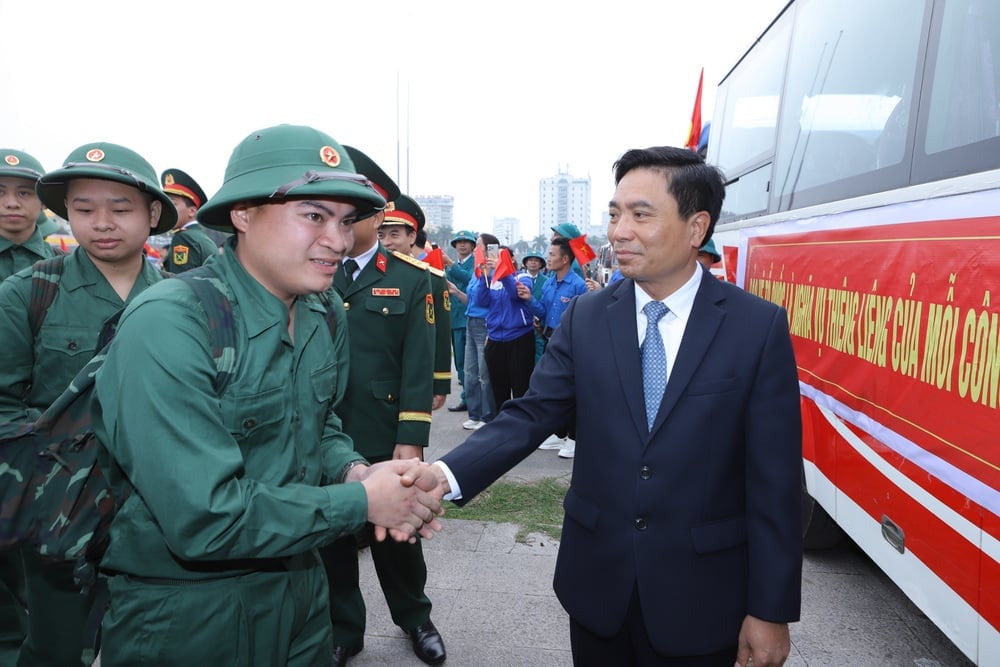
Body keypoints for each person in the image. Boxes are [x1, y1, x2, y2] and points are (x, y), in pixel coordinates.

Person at [431, 146, 802, 666]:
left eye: (640, 214)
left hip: (703, 599)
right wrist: (444, 474)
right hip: (598, 590)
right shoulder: (586, 317)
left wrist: (771, 609)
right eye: (613, 213)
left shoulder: (755, 328)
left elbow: (776, 480)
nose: (618, 231)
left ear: (696, 227)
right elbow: (532, 413)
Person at [91, 125, 444, 666]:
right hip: (189, 613)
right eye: (313, 215)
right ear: (243, 214)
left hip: (302, 592)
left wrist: (356, 472)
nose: (337, 239)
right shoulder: (172, 323)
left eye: (346, 221)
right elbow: (203, 517)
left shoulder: (321, 311)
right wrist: (363, 501)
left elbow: (318, 426)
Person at [0, 141, 178, 666]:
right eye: (84, 209)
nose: (102, 222)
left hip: (155, 510)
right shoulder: (28, 292)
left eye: (121, 209)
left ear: (151, 215)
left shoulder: (180, 299)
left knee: (144, 642)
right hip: (60, 510)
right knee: (57, 648)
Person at [323, 146, 445, 667]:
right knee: (330, 537)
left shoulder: (413, 278)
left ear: (381, 214)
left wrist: (412, 437)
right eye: (336, 213)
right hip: (322, 431)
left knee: (398, 536)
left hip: (383, 428)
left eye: (358, 214)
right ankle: (343, 629)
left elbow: (419, 363)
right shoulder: (312, 270)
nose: (346, 226)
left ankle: (415, 618)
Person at [380, 195, 452, 410]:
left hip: (414, 376)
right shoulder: (366, 276)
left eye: (395, 234)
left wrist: (440, 382)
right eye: (380, 234)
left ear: (412, 236)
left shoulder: (434, 279)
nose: (386, 242)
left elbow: (440, 334)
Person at [521, 237, 588, 459]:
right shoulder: (550, 282)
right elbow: (543, 311)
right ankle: (559, 433)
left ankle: (575, 437)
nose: (547, 258)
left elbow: (586, 317)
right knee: (555, 388)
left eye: (551, 254)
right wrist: (529, 299)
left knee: (572, 389)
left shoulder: (578, 284)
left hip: (572, 343)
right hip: (550, 339)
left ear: (565, 258)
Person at [477, 242, 535, 409]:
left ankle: (522, 428)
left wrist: (503, 272)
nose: (496, 260)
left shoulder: (523, 277)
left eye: (502, 257)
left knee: (520, 388)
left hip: (519, 339)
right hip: (495, 340)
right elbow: (482, 301)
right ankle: (502, 427)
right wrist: (485, 276)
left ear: (511, 260)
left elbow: (516, 295)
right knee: (498, 390)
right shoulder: (492, 281)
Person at [0, 149, 58, 281]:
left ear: (44, 202)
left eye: (24, 193)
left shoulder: (67, 266)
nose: (12, 204)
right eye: (0, 193)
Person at [460, 232, 498, 430]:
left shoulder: (492, 271)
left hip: (485, 324)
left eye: (478, 245)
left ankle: (487, 416)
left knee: (485, 374)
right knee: (470, 372)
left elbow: (489, 299)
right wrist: (455, 291)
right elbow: (470, 299)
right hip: (470, 321)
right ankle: (474, 414)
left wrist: (488, 274)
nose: (475, 249)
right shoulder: (477, 271)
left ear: (487, 249)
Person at [159, 167, 218, 272]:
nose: (168, 209)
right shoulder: (199, 237)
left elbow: (179, 283)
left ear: (191, 211)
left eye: (173, 204)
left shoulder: (184, 238)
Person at [443, 229, 476, 412]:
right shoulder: (453, 265)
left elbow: (471, 279)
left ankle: (472, 400)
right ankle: (466, 396)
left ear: (472, 245)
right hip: (454, 318)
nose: (462, 244)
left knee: (471, 365)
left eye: (466, 242)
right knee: (460, 363)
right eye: (459, 242)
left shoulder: (475, 263)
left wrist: (450, 264)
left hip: (469, 317)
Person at [520, 250, 549, 364]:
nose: (533, 263)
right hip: (521, 323)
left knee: (539, 354)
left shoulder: (547, 281)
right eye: (531, 260)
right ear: (526, 263)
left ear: (541, 264)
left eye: (536, 260)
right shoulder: (518, 278)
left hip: (538, 325)